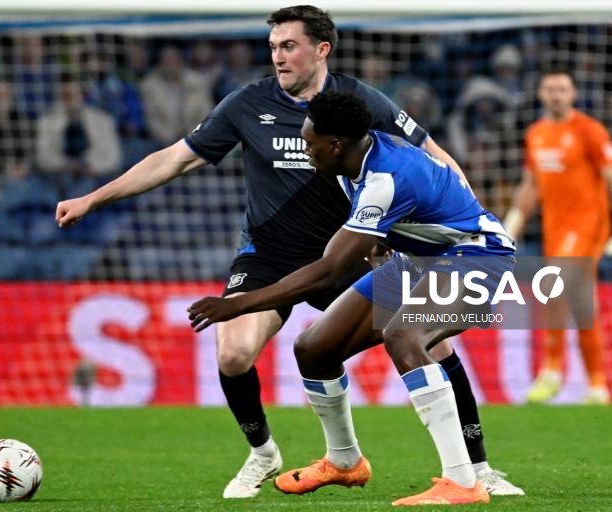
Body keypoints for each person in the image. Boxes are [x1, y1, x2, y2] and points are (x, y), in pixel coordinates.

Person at [55, 5, 523, 498]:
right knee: (267, 351)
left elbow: (432, 158)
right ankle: (297, 456)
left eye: (289, 46)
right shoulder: (246, 105)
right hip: (273, 255)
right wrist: (93, 197)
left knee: (422, 339)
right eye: (273, 47)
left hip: (349, 253)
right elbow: (175, 158)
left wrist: (464, 221)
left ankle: (472, 471)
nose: (278, 57)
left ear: (322, 50)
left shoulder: (362, 112)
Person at [188, 90, 515, 505]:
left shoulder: (383, 178)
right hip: (419, 261)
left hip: (479, 257)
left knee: (404, 335)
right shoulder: (355, 160)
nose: (307, 152)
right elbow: (387, 231)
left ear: (336, 145)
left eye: (310, 143)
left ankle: (463, 482)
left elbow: (329, 270)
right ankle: (344, 461)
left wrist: (236, 303)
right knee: (314, 348)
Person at [504, 67, 612, 404]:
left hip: (589, 225)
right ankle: (597, 385)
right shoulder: (536, 134)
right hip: (556, 229)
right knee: (582, 304)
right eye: (550, 89)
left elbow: (609, 178)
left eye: (562, 89)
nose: (556, 95)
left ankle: (552, 369)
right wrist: (510, 228)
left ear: (573, 94)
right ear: (540, 94)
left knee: (554, 283)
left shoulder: (589, 130)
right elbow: (531, 186)